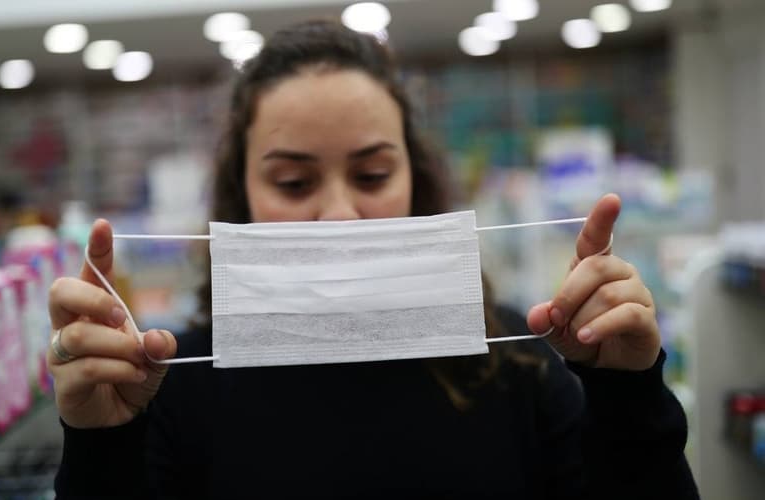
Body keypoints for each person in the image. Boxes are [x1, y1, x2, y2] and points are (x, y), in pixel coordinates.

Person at [48, 20, 699, 499]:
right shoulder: (169, 385)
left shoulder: (522, 365)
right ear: (240, 193)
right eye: (294, 184)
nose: (338, 215)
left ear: (414, 178)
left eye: (372, 173)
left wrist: (627, 394)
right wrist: (102, 448)